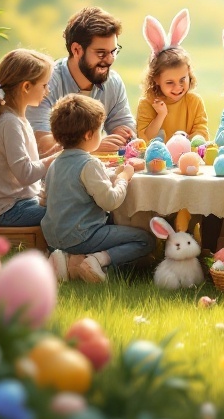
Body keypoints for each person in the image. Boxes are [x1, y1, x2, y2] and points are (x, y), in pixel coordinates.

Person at [42, 93, 154, 283]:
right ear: (88, 134)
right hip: (81, 236)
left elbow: (49, 196)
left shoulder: (55, 163)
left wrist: (115, 173)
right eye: (100, 131)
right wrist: (124, 178)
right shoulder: (88, 163)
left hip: (53, 238)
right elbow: (110, 201)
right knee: (145, 240)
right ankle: (95, 261)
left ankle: (68, 261)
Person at [27, 6, 136, 158]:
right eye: (101, 53)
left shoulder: (113, 83)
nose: (110, 60)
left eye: (113, 51)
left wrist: (122, 137)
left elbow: (126, 130)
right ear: (77, 50)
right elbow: (41, 144)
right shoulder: (46, 84)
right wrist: (92, 147)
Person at [0, 49, 59, 226]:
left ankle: (64, 253)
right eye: (44, 85)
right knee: (71, 211)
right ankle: (66, 253)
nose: (48, 91)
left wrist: (51, 154)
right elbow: (25, 174)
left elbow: (19, 167)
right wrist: (53, 159)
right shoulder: (10, 123)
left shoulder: (15, 118)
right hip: (8, 211)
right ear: (26, 86)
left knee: (69, 205)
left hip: (18, 205)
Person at [137, 9, 209, 142]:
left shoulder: (194, 102)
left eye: (183, 79)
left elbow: (202, 133)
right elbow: (145, 138)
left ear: (189, 73)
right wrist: (161, 115)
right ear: (156, 79)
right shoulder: (147, 103)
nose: (178, 88)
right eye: (170, 83)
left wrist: (183, 142)